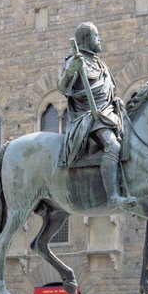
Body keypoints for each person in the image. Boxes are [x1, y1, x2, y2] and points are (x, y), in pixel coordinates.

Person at [57, 22, 136, 211]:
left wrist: (115, 101)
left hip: (107, 114)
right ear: (86, 39)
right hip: (89, 117)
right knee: (113, 145)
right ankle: (113, 197)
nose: (99, 40)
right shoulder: (75, 60)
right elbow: (61, 87)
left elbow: (108, 91)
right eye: (96, 36)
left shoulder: (100, 64)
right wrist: (71, 70)